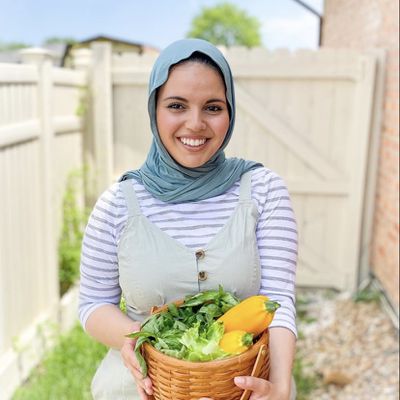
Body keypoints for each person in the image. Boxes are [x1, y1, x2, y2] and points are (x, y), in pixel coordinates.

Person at [79, 38, 297, 400]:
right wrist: (135, 338)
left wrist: (280, 387)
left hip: (245, 387)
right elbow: (92, 303)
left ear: (230, 112)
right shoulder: (117, 204)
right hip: (140, 385)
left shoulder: (263, 190)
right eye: (177, 105)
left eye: (212, 107)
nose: (195, 124)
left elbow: (280, 300)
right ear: (154, 110)